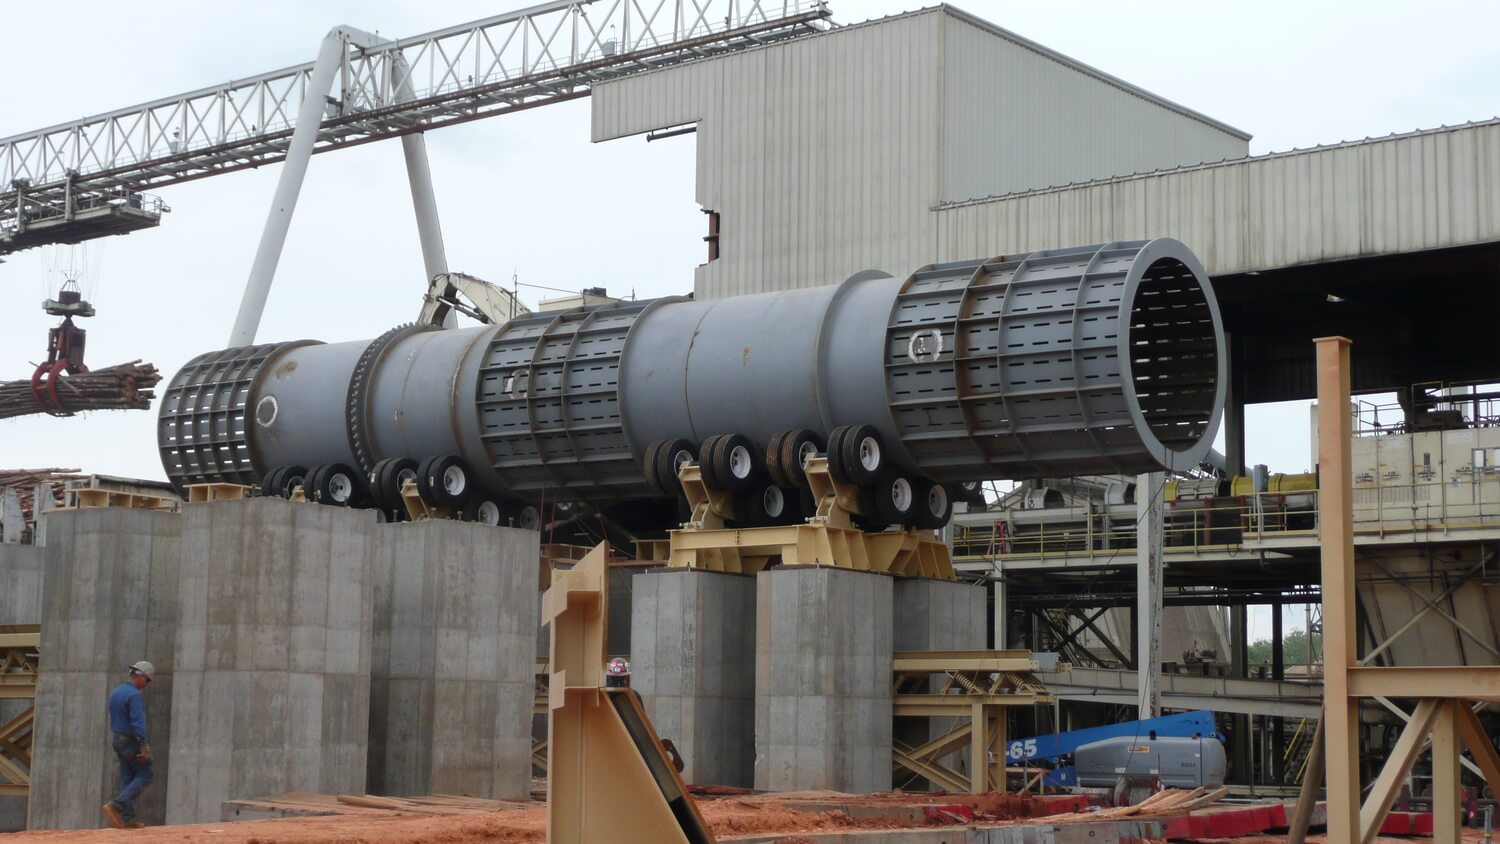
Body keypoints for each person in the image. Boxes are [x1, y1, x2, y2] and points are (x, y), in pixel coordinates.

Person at [101, 661, 155, 830]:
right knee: (145, 775)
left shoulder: (116, 692)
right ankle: (116, 805)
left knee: (128, 777)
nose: (146, 684)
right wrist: (144, 747)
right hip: (131, 741)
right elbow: (138, 723)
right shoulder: (135, 695)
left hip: (118, 740)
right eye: (147, 680)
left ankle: (129, 818)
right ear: (140, 677)